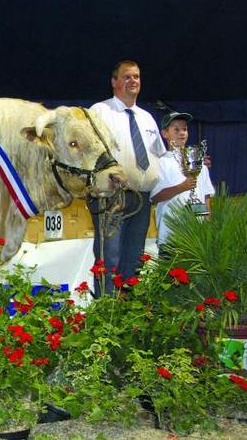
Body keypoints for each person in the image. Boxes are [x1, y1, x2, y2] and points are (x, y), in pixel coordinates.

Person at [89, 60, 166, 295]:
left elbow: (161, 156)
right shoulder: (100, 111)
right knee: (109, 258)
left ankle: (128, 315)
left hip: (141, 198)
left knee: (134, 259)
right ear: (114, 82)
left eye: (136, 77)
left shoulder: (146, 118)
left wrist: (191, 165)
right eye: (127, 77)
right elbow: (88, 151)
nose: (133, 81)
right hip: (111, 196)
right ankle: (105, 312)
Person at [151, 111, 214, 253]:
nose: (182, 133)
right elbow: (155, 196)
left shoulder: (199, 161)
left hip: (197, 235)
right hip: (170, 234)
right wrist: (181, 187)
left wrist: (207, 225)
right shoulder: (160, 162)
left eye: (185, 129)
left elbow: (206, 196)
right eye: (176, 129)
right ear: (165, 133)